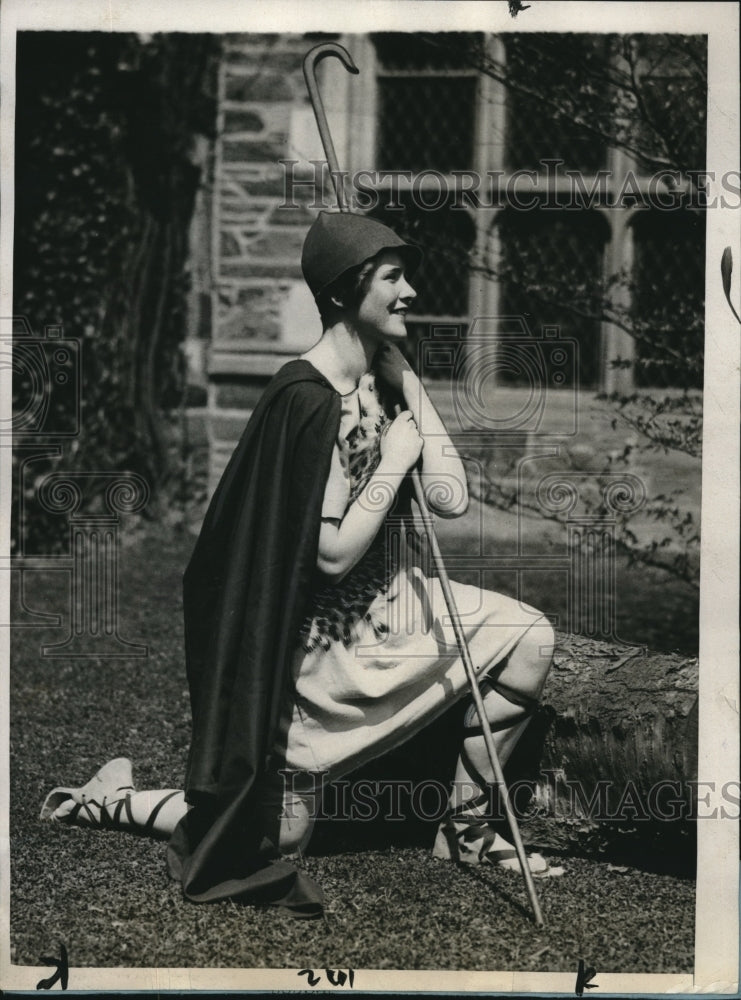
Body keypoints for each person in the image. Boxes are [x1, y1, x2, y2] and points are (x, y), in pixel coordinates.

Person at [41, 212, 559, 916]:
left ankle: (465, 830)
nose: (410, 292)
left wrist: (411, 386)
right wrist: (394, 461)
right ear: (344, 292)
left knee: (529, 636)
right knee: (277, 833)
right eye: (392, 278)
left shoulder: (381, 378)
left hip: (398, 606)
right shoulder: (306, 399)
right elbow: (331, 553)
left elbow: (450, 498)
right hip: (323, 645)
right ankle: (114, 799)